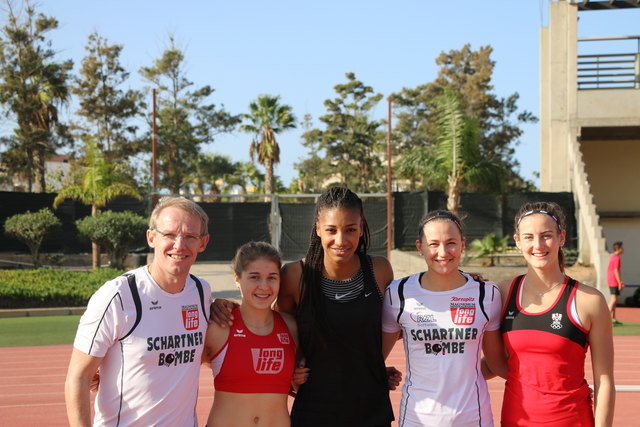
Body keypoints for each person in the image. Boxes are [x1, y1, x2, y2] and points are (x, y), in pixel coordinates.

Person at [212, 186, 397, 426]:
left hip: (370, 408)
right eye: (331, 230)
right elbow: (276, 328)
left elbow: (395, 325)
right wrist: (228, 305)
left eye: (350, 229)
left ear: (361, 228)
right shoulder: (295, 275)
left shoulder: (380, 270)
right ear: (318, 229)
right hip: (315, 410)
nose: (341, 240)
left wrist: (373, 362)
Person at [65, 196, 212, 427]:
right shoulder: (118, 295)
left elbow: (199, 355)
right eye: (169, 234)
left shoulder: (202, 292)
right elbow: (79, 378)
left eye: (190, 237)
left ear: (202, 243)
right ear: (151, 237)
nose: (179, 245)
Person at [381, 210, 506, 426]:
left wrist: (555, 385)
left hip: (473, 418)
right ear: (420, 247)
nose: (443, 252)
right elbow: (375, 356)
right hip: (416, 419)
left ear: (462, 244)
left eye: (451, 243)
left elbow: (496, 363)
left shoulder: (486, 293)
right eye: (433, 244)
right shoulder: (398, 293)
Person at [499, 202, 615, 426]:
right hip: (515, 421)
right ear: (518, 242)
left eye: (546, 235)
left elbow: (605, 381)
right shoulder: (503, 293)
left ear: (561, 237)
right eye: (529, 237)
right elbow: (493, 363)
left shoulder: (589, 300)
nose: (538, 245)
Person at [203, 241, 298, 427]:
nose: (264, 286)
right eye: (254, 277)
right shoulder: (219, 326)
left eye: (272, 277)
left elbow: (302, 380)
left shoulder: (291, 326)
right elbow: (179, 373)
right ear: (237, 279)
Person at [607, 241, 624, 325]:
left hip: (611, 280)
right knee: (613, 299)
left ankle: (613, 318)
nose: (623, 249)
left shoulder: (613, 256)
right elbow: (616, 270)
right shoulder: (616, 258)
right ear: (618, 249)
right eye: (622, 247)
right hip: (613, 281)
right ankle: (606, 318)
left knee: (615, 299)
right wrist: (619, 282)